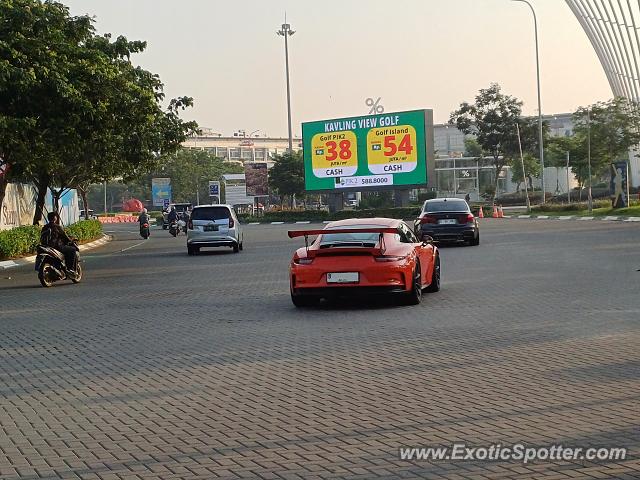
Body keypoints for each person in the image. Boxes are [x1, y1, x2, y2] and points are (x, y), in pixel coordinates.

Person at [40, 211, 78, 276]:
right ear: (55, 218)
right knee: (72, 250)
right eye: (56, 216)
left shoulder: (44, 227)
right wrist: (71, 240)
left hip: (47, 247)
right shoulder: (57, 227)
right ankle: (70, 269)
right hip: (57, 247)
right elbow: (65, 237)